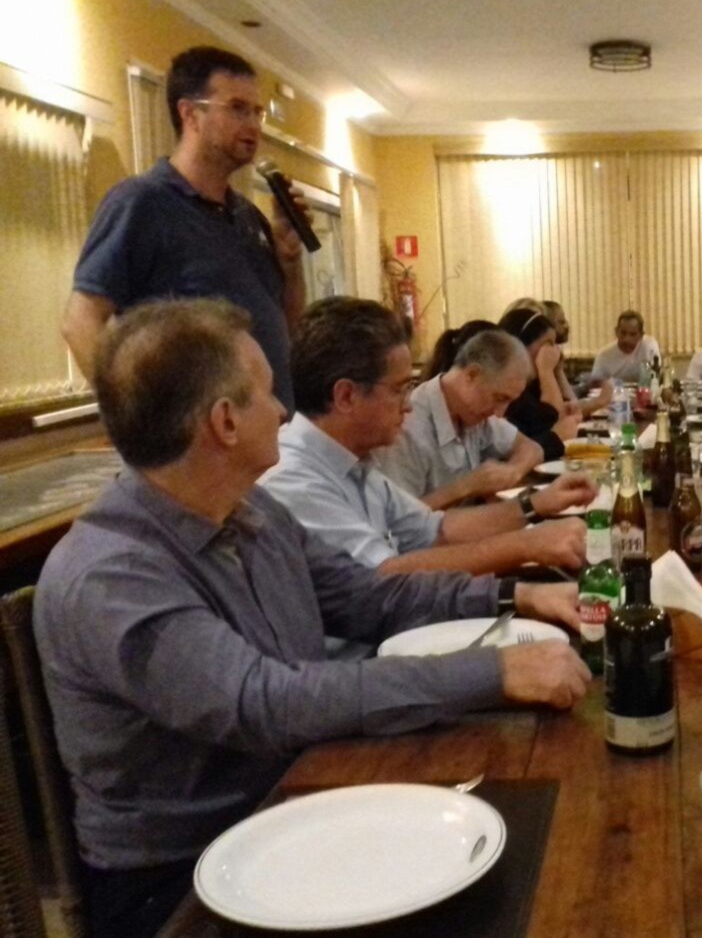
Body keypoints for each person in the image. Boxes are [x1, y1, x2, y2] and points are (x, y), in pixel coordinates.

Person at [34, 299, 589, 938]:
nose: (283, 411)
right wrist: (495, 671)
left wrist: (515, 596)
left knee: (513, 852)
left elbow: (371, 597)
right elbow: (267, 702)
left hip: (297, 798)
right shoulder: (110, 574)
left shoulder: (251, 511)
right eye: (268, 394)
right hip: (179, 882)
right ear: (224, 422)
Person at [261, 298, 592, 576]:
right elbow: (385, 576)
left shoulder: (352, 462)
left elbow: (437, 530)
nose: (408, 405)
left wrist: (538, 504)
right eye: (399, 389)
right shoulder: (295, 478)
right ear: (346, 396)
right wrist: (526, 545)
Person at [63, 46, 307, 411]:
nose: (253, 125)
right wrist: (139, 422)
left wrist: (289, 262)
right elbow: (80, 321)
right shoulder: (142, 202)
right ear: (190, 113)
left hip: (271, 430)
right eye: (237, 108)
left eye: (257, 112)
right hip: (201, 439)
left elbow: (287, 326)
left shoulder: (248, 216)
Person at [375, 328, 545, 507]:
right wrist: (465, 487)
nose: (500, 413)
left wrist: (513, 470)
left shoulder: (476, 413)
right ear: (472, 374)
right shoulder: (408, 426)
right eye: (499, 398)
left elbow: (532, 449)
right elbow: (398, 518)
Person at [499, 307, 581, 459]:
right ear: (521, 345)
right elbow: (551, 426)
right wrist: (546, 371)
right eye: (548, 344)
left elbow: (562, 419)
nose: (554, 351)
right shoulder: (508, 392)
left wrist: (556, 371)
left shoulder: (533, 386)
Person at [543, 298, 613, 416]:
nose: (567, 326)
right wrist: (601, 400)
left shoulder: (556, 355)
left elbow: (569, 399)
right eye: (561, 322)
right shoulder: (544, 360)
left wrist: (586, 386)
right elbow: (565, 410)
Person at [589, 310, 662, 384]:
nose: (627, 339)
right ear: (616, 332)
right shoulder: (603, 357)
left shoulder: (649, 347)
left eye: (633, 334)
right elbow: (595, 385)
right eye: (623, 333)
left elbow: (656, 378)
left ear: (641, 335)